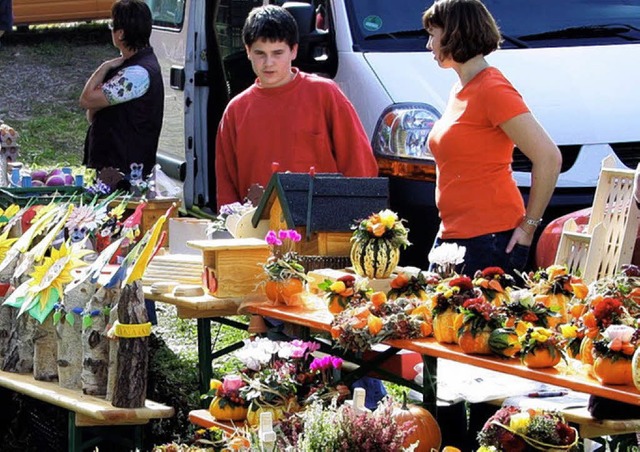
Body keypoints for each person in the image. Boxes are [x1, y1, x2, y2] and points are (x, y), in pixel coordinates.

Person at [423, 0, 562, 277]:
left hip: (489, 239)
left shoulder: (492, 88)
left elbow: (548, 157)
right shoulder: (460, 88)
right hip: (454, 235)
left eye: (432, 34)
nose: (429, 45)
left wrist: (528, 227)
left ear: (454, 32)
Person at [214, 4, 378, 208]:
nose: (269, 63)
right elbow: (226, 183)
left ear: (294, 50)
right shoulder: (236, 110)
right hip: (257, 229)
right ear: (247, 51)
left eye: (277, 53)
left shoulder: (325, 94)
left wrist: (353, 221)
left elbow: (358, 163)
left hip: (321, 226)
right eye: (260, 53)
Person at [80, 0, 164, 181]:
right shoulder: (133, 66)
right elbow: (92, 112)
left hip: (123, 170)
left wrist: (103, 67)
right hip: (115, 167)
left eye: (112, 25)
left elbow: (87, 100)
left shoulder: (136, 74)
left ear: (120, 34)